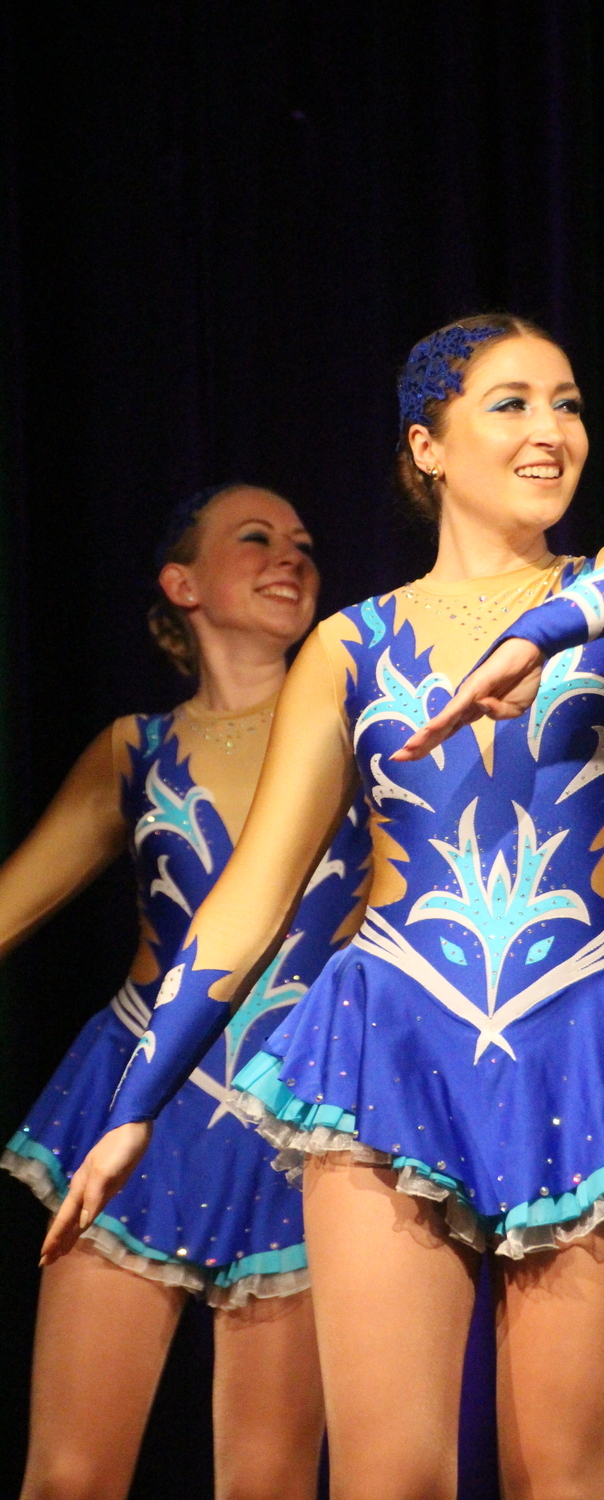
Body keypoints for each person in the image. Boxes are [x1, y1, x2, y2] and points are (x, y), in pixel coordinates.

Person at [47, 317, 604, 1500]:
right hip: (387, 1042)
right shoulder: (352, 643)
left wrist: (541, 631)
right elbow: (254, 892)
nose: (551, 429)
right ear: (426, 447)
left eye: (568, 403)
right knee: (389, 1477)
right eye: (511, 403)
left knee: (568, 1476)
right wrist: (137, 1103)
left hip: (583, 1030)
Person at [2, 484, 370, 1500]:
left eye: (304, 542)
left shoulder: (362, 735)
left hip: (298, 1117)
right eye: (256, 539)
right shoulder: (137, 750)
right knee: (70, 1475)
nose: (291, 556)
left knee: (269, 1480)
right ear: (182, 583)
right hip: (137, 1104)